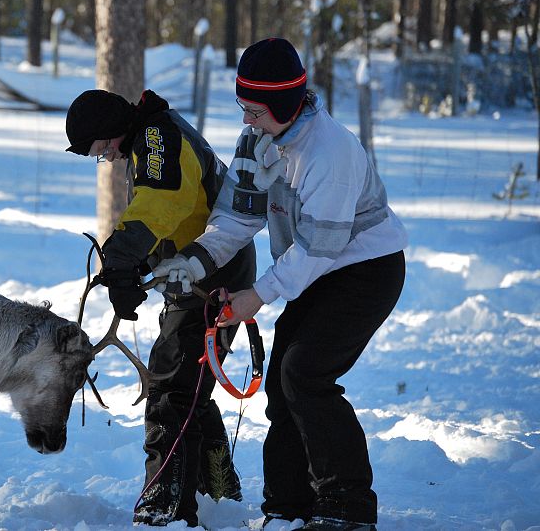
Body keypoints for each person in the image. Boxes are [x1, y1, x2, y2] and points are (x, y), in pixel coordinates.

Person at [153, 38, 408, 531]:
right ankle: (289, 507)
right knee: (282, 383)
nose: (247, 120)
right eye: (242, 107)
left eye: (255, 109)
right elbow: (236, 217)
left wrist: (255, 295)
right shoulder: (258, 141)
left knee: (305, 375)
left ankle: (346, 507)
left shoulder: (329, 152)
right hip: (314, 269)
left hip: (365, 270)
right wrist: (194, 261)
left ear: (286, 104)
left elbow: (318, 248)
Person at [65, 88, 257, 527]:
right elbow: (171, 207)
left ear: (111, 131)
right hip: (198, 273)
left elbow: (162, 201)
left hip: (214, 275)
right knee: (189, 387)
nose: (106, 158)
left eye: (100, 149)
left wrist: (122, 255)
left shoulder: (156, 138)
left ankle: (165, 508)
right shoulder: (151, 137)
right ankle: (220, 494)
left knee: (171, 391)